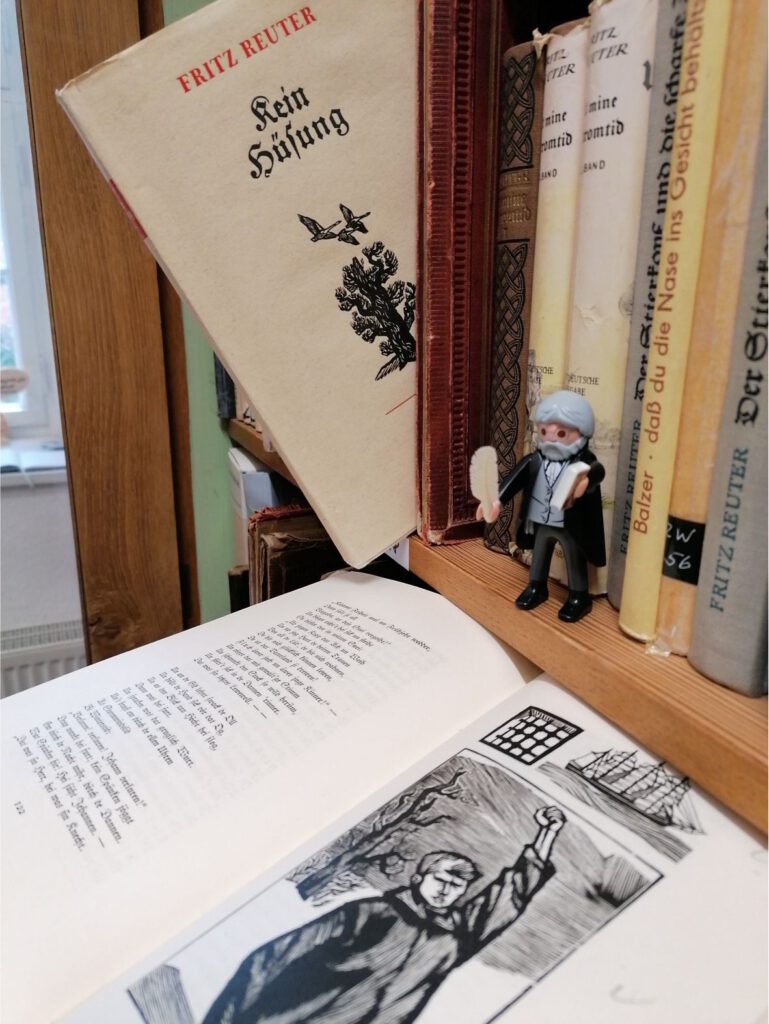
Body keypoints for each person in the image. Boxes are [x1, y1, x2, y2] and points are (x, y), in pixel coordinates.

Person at [202, 806, 566, 1024]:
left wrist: (547, 833)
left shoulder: (455, 936)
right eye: (440, 880)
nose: (446, 890)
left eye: (457, 886)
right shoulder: (370, 911)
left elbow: (511, 894)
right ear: (419, 878)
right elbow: (271, 959)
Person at [479, 390, 605, 622]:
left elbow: (598, 471)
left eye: (561, 433)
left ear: (582, 433)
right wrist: (496, 501)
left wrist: (585, 480)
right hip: (539, 521)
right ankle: (536, 587)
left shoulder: (582, 464)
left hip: (569, 524)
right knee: (539, 554)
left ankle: (579, 597)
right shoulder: (535, 460)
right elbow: (514, 480)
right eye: (545, 432)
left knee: (573, 558)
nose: (552, 439)